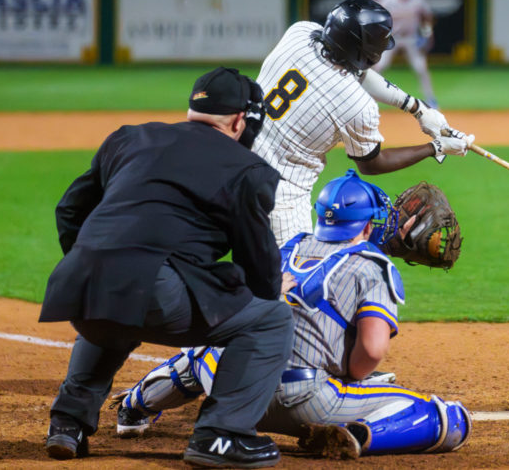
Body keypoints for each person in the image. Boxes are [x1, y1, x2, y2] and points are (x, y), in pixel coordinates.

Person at [112, 170, 471, 459]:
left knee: (204, 353)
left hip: (232, 391)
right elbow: (373, 352)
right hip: (301, 401)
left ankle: (133, 408)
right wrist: (353, 376)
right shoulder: (373, 267)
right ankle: (359, 436)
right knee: (450, 418)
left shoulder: (287, 247)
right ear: (366, 226)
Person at [39, 67, 294, 468]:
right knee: (271, 319)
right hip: (154, 291)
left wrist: (90, 266)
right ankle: (221, 434)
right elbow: (259, 268)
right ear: (241, 121)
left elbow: (70, 210)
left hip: (79, 286)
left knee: (117, 295)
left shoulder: (128, 137)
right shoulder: (249, 169)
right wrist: (258, 290)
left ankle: (67, 424)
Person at [250, 0, 472, 245]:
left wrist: (418, 109)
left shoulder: (299, 33)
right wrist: (436, 147)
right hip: (281, 196)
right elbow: (371, 164)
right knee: (292, 280)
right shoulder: (355, 104)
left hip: (234, 164)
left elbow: (357, 71)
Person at [372, 0, 439, 108]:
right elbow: (376, 18)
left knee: (421, 68)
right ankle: (366, 97)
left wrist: (426, 33)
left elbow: (427, 17)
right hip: (391, 38)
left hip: (411, 39)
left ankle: (431, 99)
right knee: (378, 66)